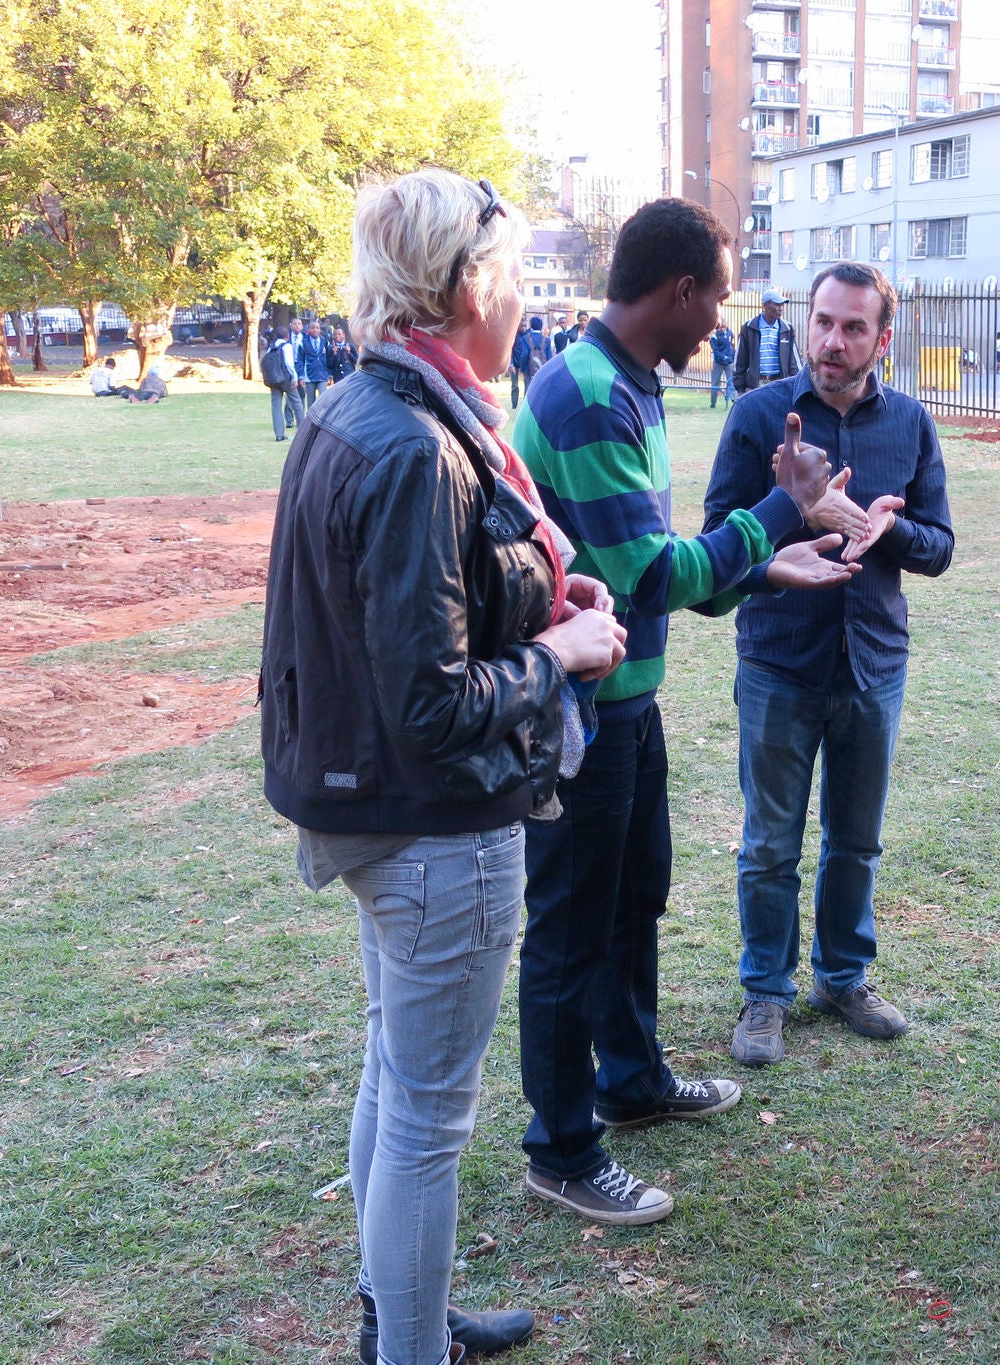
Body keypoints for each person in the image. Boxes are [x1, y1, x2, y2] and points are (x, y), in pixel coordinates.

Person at [262, 168, 629, 1365]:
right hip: (435, 824)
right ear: (470, 284)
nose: (526, 298)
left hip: (371, 808)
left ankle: (396, 1320)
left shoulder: (359, 408)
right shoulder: (420, 439)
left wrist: (531, 602)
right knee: (425, 1120)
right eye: (517, 274)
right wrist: (564, 650)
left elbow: (407, 621)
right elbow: (429, 701)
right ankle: (404, 1346)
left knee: (393, 1080)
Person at [515, 198, 852, 1228]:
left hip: (628, 699)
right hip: (581, 715)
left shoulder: (626, 385)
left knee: (630, 901)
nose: (722, 317)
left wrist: (760, 570)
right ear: (677, 292)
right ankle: (562, 1148)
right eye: (716, 294)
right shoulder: (583, 398)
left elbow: (657, 573)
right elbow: (649, 570)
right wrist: (779, 510)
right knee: (572, 930)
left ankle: (630, 1079)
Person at [707, 262, 954, 1069]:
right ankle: (765, 991)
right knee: (770, 842)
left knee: (857, 839)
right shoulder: (758, 416)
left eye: (853, 328)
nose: (832, 341)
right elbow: (718, 542)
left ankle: (842, 976)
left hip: (873, 662)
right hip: (779, 660)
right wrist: (794, 516)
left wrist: (889, 532)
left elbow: (940, 547)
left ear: (883, 339)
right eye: (822, 321)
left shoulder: (911, 423)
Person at [734, 290, 797, 392]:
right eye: (777, 304)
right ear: (765, 305)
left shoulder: (787, 329)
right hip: (756, 385)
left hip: (779, 383)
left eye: (782, 305)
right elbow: (740, 360)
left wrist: (796, 385)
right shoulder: (749, 327)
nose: (781, 308)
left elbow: (793, 361)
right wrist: (740, 389)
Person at [263, 328, 299, 441]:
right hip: (285, 379)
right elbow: (289, 364)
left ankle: (279, 434)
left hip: (273, 380)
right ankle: (302, 430)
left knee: (276, 406)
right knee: (297, 402)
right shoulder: (286, 346)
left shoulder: (271, 346)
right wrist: (295, 378)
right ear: (287, 336)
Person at [297, 314, 332, 399]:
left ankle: (323, 413)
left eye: (317, 328)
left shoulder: (324, 342)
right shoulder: (304, 343)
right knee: (311, 401)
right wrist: (301, 376)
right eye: (313, 328)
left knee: (323, 399)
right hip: (309, 375)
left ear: (320, 330)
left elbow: (329, 359)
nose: (315, 330)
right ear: (309, 329)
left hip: (322, 374)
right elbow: (300, 360)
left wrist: (329, 374)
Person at [707, 319, 736, 407]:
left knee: (731, 382)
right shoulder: (714, 336)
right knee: (715, 383)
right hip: (718, 362)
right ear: (718, 327)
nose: (723, 329)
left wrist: (731, 357)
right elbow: (715, 351)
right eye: (721, 327)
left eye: (725, 327)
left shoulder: (730, 333)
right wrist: (723, 357)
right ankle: (713, 404)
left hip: (728, 362)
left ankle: (734, 402)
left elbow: (731, 346)